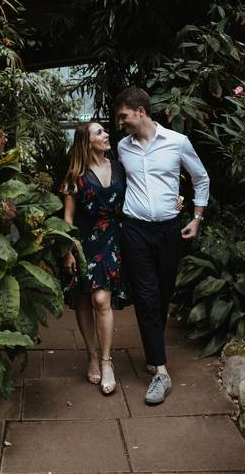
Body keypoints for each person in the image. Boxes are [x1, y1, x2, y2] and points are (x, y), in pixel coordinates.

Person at [113, 87, 210, 405]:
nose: (121, 122)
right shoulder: (122, 147)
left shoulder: (177, 142)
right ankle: (161, 374)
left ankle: (154, 351)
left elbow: (201, 178)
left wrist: (196, 217)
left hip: (169, 231)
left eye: (124, 115)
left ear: (141, 111)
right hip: (135, 231)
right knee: (146, 296)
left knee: (163, 293)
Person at [61, 122, 128, 396]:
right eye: (99, 133)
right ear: (86, 142)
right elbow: (67, 218)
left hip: (112, 237)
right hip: (83, 241)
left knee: (101, 299)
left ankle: (106, 361)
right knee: (83, 301)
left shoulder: (120, 167)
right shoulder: (74, 176)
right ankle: (91, 355)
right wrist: (67, 250)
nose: (106, 135)